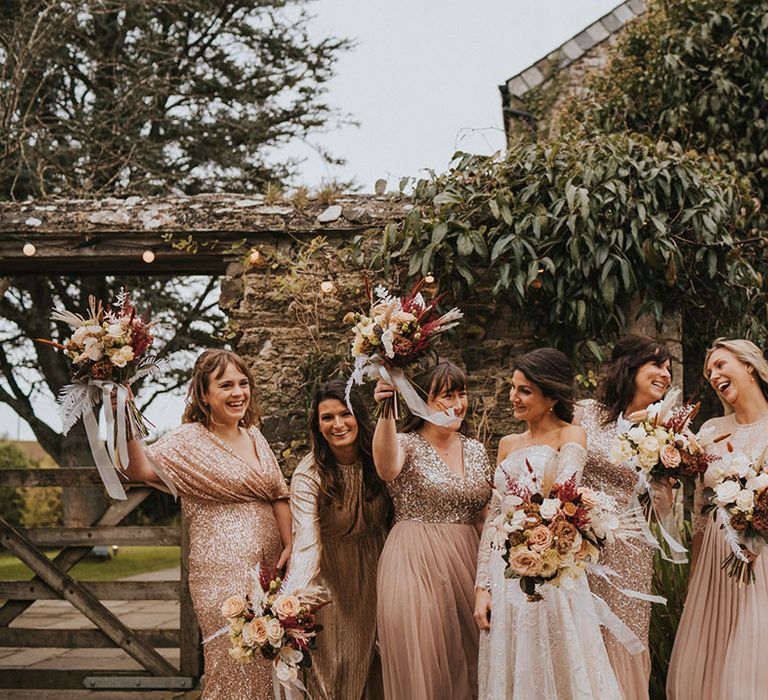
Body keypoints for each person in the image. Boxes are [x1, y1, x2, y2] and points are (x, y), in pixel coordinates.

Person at [119, 349, 292, 700]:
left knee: (272, 659)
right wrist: (124, 416)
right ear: (203, 394)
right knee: (231, 659)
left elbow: (278, 495)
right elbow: (135, 469)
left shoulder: (255, 436)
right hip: (218, 572)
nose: (239, 393)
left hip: (271, 566)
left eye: (243, 384)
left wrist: (290, 547)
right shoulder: (188, 440)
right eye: (226, 385)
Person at [475, 347, 632, 699]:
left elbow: (564, 496)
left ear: (551, 397)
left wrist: (542, 543)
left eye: (524, 390)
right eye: (513, 388)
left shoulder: (570, 436)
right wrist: (482, 586)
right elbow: (494, 520)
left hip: (553, 572)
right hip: (505, 573)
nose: (512, 397)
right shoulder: (506, 443)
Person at [373, 361, 492, 700]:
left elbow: (485, 515)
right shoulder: (405, 443)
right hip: (415, 562)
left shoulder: (476, 449)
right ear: (419, 400)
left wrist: (492, 574)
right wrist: (385, 410)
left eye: (461, 393)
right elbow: (385, 468)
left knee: (472, 663)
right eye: (445, 396)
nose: (456, 403)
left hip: (469, 563)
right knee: (425, 658)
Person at [667, 338, 768, 699]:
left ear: (750, 367)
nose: (713, 374)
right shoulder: (709, 430)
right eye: (709, 371)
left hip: (762, 560)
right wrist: (695, 571)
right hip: (715, 557)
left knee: (754, 642)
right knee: (714, 648)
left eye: (721, 365)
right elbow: (699, 508)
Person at [574, 335, 673, 700]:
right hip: (581, 542)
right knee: (582, 629)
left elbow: (661, 510)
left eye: (668, 369)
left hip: (631, 549)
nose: (664, 374)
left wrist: (664, 470)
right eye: (656, 364)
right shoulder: (584, 412)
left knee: (624, 632)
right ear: (630, 367)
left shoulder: (663, 432)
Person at [289, 379, 390, 700]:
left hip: (379, 567)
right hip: (330, 576)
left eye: (344, 414)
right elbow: (306, 542)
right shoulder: (310, 474)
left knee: (380, 661)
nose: (337, 424)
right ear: (317, 426)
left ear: (358, 416)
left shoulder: (382, 459)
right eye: (327, 418)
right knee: (333, 664)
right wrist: (292, 598)